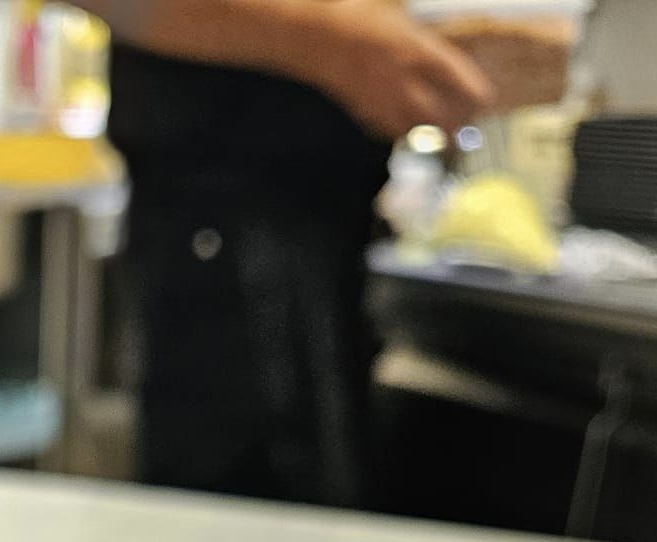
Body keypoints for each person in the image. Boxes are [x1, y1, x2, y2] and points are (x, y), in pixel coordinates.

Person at [89, 0, 492, 505]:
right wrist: (342, 43)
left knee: (306, 524)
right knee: (244, 517)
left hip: (325, 221)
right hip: (225, 219)